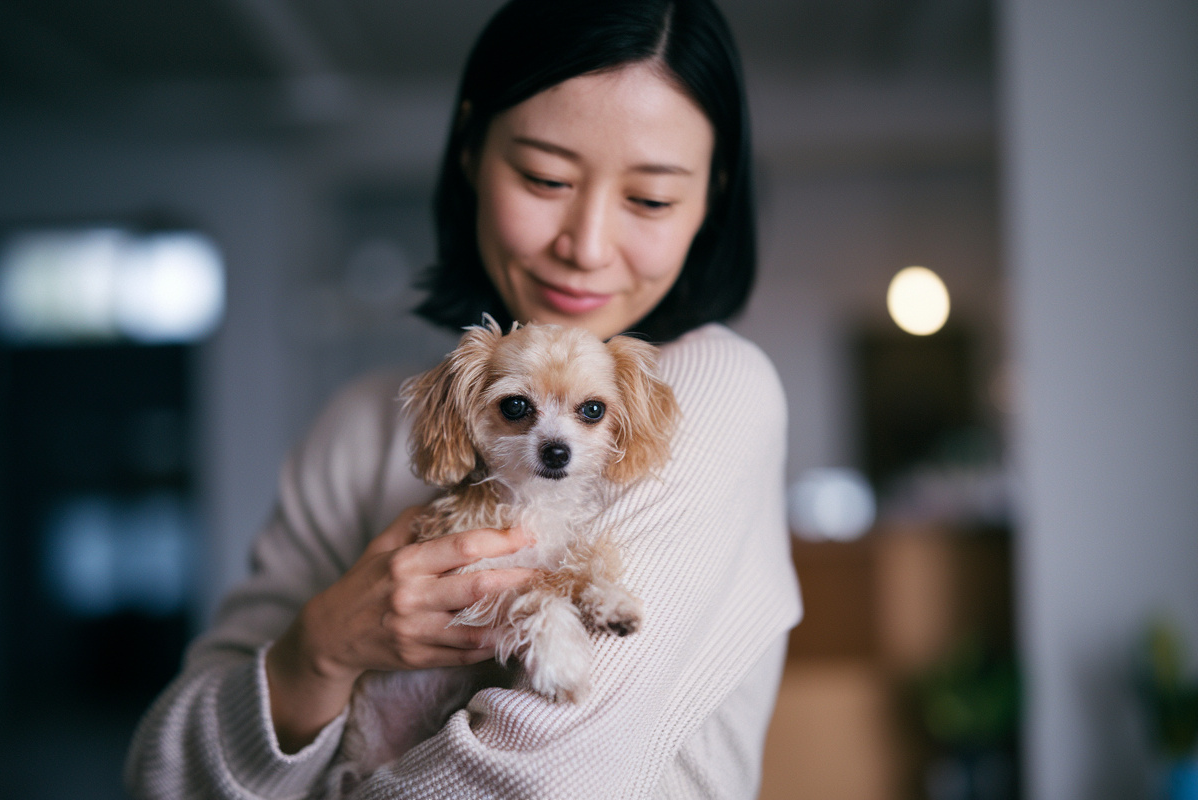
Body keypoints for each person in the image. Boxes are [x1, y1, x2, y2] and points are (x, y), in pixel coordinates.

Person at [125, 0, 801, 797]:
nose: (584, 247)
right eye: (545, 177)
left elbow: (553, 774)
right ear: (472, 150)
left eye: (649, 199)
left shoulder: (717, 384)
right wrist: (323, 649)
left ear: (712, 197)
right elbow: (166, 775)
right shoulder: (355, 423)